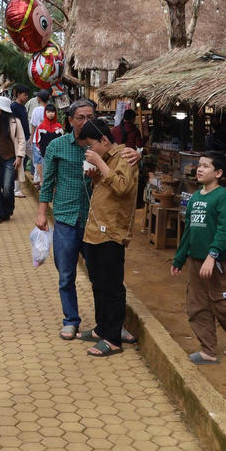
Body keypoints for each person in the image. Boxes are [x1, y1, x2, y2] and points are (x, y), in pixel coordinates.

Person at [171, 152, 226, 364]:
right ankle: (208, 350)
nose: (199, 169)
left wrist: (212, 255)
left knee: (222, 304)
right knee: (197, 306)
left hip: (218, 262)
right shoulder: (196, 197)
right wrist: (179, 258)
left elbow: (224, 231)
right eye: (199, 165)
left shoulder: (224, 198)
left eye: (206, 166)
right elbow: (189, 231)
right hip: (196, 261)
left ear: (218, 173)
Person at [76, 119, 140, 356]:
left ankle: (113, 338)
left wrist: (100, 163)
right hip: (94, 231)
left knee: (112, 287)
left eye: (91, 145)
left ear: (104, 140)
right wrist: (95, 175)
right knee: (98, 284)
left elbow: (122, 187)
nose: (89, 151)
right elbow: (106, 188)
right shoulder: (105, 159)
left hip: (112, 233)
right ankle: (102, 328)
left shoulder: (125, 157)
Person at [36, 99, 97, 340]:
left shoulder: (102, 145)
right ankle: (71, 320)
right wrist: (42, 213)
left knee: (100, 275)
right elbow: (47, 182)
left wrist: (133, 154)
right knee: (66, 275)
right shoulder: (57, 146)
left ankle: (108, 322)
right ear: (70, 121)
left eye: (90, 117)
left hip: (94, 220)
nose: (86, 121)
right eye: (81, 117)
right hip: (65, 219)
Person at [32, 103, 64, 185]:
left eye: (52, 112)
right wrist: (42, 151)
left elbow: (62, 141)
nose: (51, 114)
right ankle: (43, 183)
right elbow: (38, 140)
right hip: (45, 155)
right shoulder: (41, 127)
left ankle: (55, 186)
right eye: (48, 112)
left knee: (56, 171)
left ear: (55, 113)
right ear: (45, 113)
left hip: (57, 155)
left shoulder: (59, 126)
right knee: (46, 171)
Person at [10, 85, 33, 197]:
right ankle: (16, 189)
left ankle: (39, 178)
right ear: (18, 94)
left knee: (36, 156)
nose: (26, 97)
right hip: (19, 139)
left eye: (27, 95)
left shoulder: (23, 107)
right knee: (19, 162)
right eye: (25, 94)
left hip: (26, 138)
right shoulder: (13, 107)